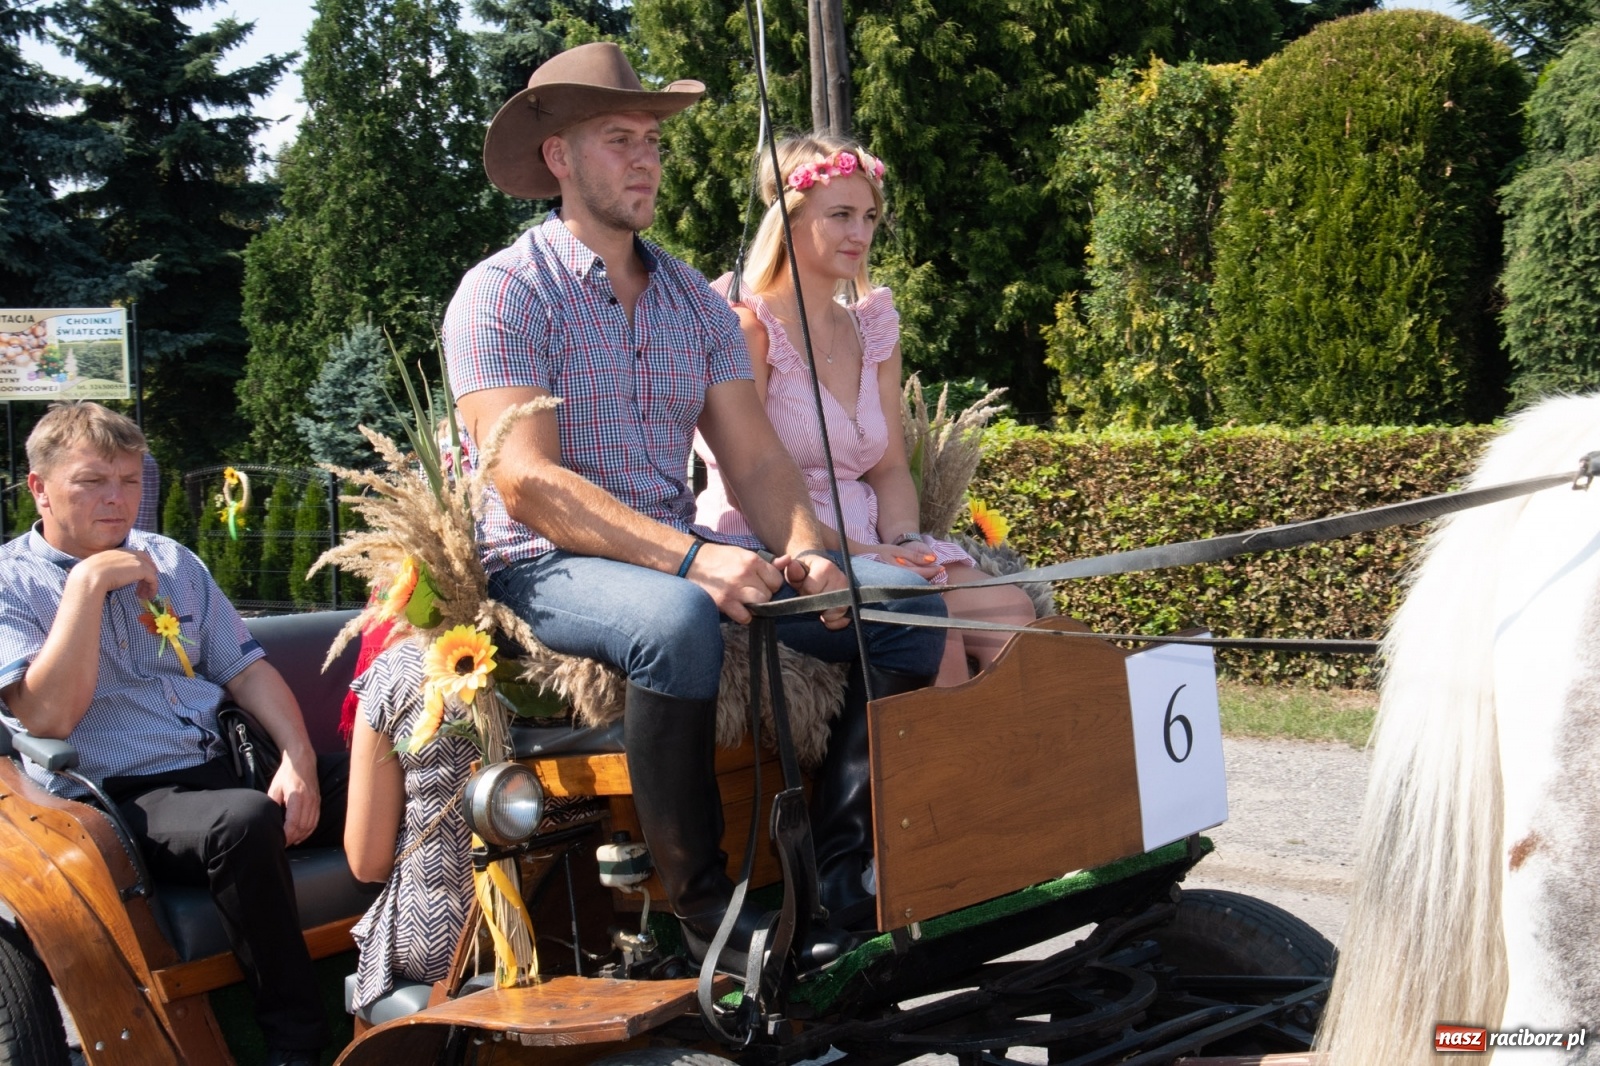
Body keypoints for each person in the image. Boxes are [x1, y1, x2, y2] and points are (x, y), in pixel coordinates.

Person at [442, 42, 947, 969]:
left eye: (651, 141)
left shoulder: (694, 303)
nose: (644, 159)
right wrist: (690, 559)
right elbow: (525, 481)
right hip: (545, 565)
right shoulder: (502, 293)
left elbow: (754, 458)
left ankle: (839, 884)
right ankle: (700, 913)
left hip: (673, 552)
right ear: (559, 158)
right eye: (616, 140)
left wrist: (811, 547)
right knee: (678, 621)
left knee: (907, 611)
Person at [0, 402, 344, 1066]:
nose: (117, 499)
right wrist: (88, 586)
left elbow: (247, 672)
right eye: (93, 480)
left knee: (402, 776)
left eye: (130, 481)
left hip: (227, 761)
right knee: (242, 822)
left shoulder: (171, 560)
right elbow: (47, 719)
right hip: (119, 796)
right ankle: (297, 1045)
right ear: (39, 488)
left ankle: (428, 979)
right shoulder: (11, 582)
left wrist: (298, 759)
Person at [696, 134, 1037, 687]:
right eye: (841, 215)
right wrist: (868, 552)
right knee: (937, 629)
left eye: (870, 216)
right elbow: (745, 482)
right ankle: (932, 772)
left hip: (877, 541)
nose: (860, 233)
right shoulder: (743, 325)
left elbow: (889, 467)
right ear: (788, 216)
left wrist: (905, 541)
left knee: (1011, 611)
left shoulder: (873, 327)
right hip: (773, 536)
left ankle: (1009, 766)